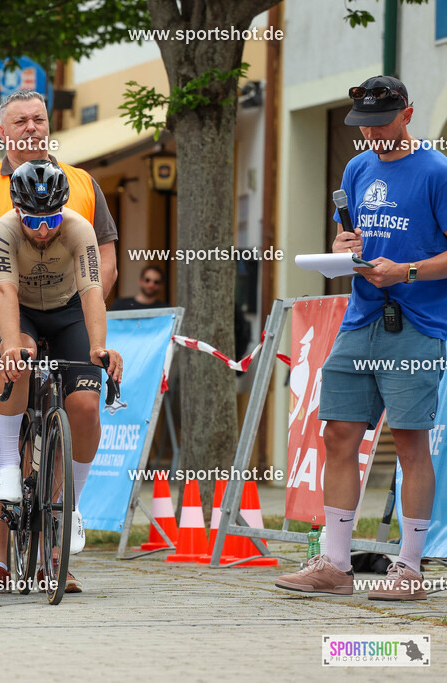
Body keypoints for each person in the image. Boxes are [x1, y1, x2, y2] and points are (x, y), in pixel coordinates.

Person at [276, 76, 447, 600]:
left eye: (380, 123)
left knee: (412, 443)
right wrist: (342, 245)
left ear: (408, 115)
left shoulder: (437, 172)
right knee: (338, 435)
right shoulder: (356, 168)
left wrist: (408, 272)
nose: (371, 133)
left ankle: (411, 569)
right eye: (364, 126)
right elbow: (349, 237)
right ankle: (334, 563)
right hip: (361, 317)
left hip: (418, 324)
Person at [0, 89, 118, 595]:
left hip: (66, 311)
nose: (31, 128)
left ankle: (51, 557)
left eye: (39, 119)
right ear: (2, 130)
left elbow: (103, 263)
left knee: (80, 408)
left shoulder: (81, 183)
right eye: (19, 120)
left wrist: (85, 321)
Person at [0, 160, 123, 592]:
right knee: (20, 358)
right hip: (22, 311)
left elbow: (91, 291)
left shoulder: (79, 228)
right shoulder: (4, 229)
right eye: (33, 220)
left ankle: (70, 506)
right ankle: (10, 464)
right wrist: (12, 345)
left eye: (50, 219)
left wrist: (99, 347)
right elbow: (5, 291)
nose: (43, 230)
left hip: (67, 313)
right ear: (17, 210)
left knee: (84, 404)